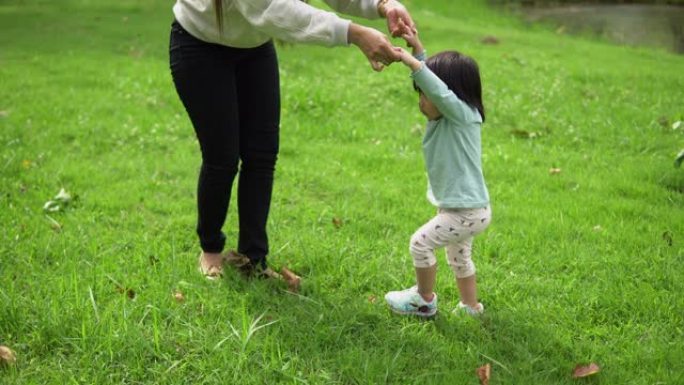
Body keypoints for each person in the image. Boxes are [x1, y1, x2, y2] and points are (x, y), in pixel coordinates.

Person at [169, 0, 416, 280]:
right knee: (222, 157)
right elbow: (270, 9)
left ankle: (253, 257)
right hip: (200, 46)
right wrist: (353, 33)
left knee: (261, 154)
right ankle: (211, 250)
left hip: (254, 49)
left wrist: (382, 5)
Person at [384, 25, 492, 317]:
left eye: (425, 94)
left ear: (451, 94)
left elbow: (440, 93)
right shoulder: (451, 117)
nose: (421, 99)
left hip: (464, 212)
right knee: (459, 257)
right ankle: (471, 307)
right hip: (463, 209)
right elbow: (438, 89)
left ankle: (424, 300)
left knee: (419, 244)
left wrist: (411, 62)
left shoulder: (462, 115)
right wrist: (418, 50)